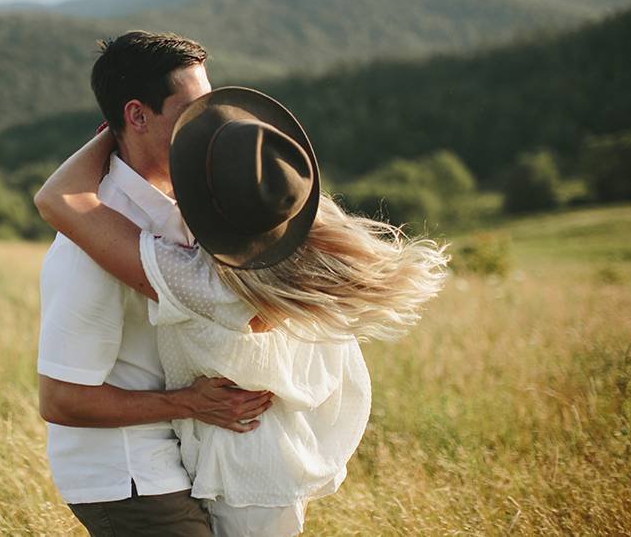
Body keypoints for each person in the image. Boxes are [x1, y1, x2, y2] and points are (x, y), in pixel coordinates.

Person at [35, 86, 449, 537]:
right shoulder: (293, 257)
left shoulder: (207, 282)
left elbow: (58, 200)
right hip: (275, 460)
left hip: (241, 471)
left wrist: (116, 131)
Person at [37, 32, 273, 537]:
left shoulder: (183, 208)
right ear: (138, 116)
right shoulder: (92, 242)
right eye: (192, 109)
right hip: (126, 473)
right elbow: (59, 399)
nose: (209, 122)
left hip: (183, 451)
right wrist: (189, 402)